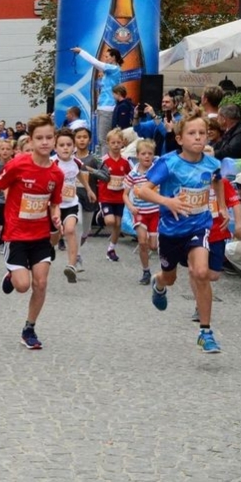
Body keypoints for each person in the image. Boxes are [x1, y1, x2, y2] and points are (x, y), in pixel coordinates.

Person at [135, 114, 225, 353]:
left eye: (202, 133)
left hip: (200, 225)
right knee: (170, 277)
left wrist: (223, 208)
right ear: (179, 139)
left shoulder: (212, 164)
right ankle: (159, 283)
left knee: (202, 272)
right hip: (171, 231)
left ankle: (205, 332)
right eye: (192, 133)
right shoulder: (168, 163)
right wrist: (168, 201)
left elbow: (217, 182)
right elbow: (142, 190)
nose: (198, 137)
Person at [0, 114, 64, 350]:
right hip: (16, 235)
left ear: (54, 140)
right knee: (23, 285)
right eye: (40, 138)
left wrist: (55, 214)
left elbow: (54, 202)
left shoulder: (57, 174)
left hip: (40, 236)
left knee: (41, 282)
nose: (45, 142)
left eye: (49, 137)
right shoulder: (18, 164)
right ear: (32, 140)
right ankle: (11, 275)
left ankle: (29, 328)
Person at [53, 127, 92, 283]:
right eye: (61, 145)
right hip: (54, 205)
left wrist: (88, 189)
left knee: (70, 230)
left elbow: (79, 174)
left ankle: (71, 265)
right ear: (55, 147)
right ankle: (50, 248)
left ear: (74, 146)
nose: (65, 148)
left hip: (71, 203)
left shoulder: (76, 161)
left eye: (69, 145)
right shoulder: (52, 163)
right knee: (54, 236)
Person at [71, 46, 123, 152]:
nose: (105, 58)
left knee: (103, 139)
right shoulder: (111, 71)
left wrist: (81, 51)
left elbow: (95, 62)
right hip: (103, 107)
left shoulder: (113, 69)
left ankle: (105, 164)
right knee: (102, 139)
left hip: (107, 107)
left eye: (107, 56)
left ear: (113, 58)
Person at [124, 138, 160, 285]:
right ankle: (146, 271)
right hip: (140, 212)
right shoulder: (133, 174)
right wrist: (131, 207)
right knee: (142, 241)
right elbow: (124, 194)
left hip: (155, 212)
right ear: (137, 155)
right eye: (143, 153)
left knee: (153, 246)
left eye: (150, 154)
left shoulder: (157, 172)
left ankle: (160, 269)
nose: (147, 156)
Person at [98, 128, 132, 261]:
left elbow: (130, 176)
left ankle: (111, 249)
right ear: (108, 143)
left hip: (119, 197)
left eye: (119, 142)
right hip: (106, 196)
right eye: (113, 142)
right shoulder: (103, 161)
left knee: (118, 224)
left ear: (123, 143)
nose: (116, 145)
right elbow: (97, 176)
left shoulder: (125, 161)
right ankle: (102, 214)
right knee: (110, 221)